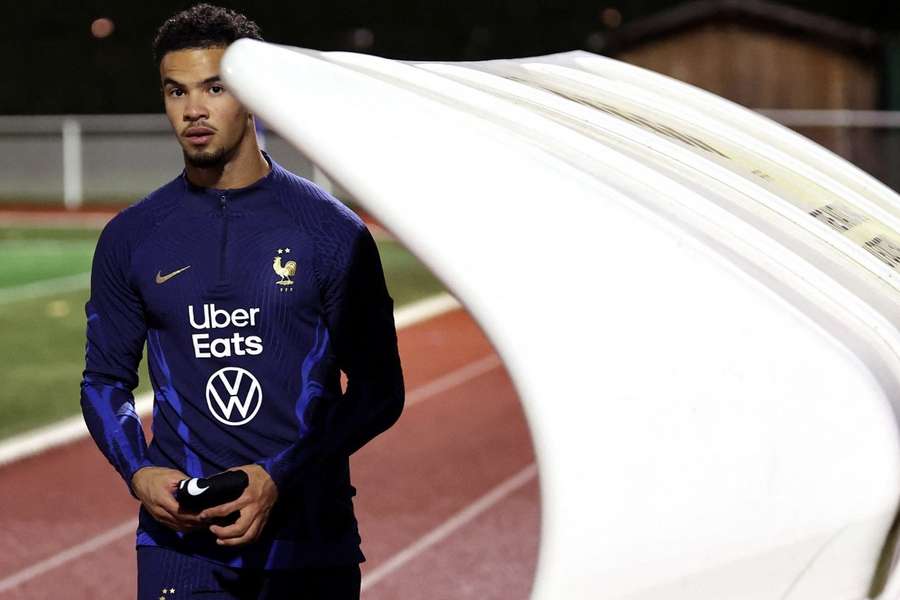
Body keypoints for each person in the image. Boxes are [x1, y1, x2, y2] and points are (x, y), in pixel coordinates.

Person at [79, 4, 404, 599]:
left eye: (215, 87)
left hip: (308, 541)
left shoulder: (332, 233)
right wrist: (140, 471)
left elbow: (381, 391)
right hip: (181, 549)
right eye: (176, 91)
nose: (193, 110)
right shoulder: (132, 237)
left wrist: (277, 477)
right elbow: (104, 379)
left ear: (253, 97)